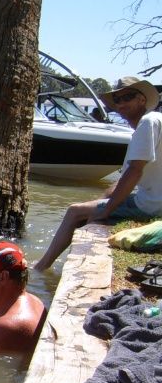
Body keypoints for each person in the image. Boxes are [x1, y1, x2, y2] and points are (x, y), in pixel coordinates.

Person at [35, 77, 162, 271]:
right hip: (156, 200)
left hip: (152, 205)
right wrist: (99, 203)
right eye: (117, 100)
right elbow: (124, 178)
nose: (121, 103)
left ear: (142, 100)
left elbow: (134, 171)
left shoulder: (147, 122)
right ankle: (60, 265)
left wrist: (106, 209)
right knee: (87, 211)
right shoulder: (156, 121)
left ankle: (40, 268)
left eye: (128, 97)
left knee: (74, 211)